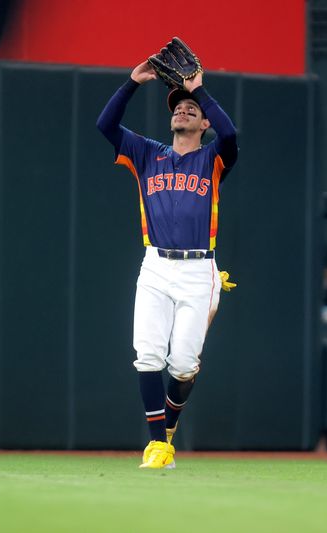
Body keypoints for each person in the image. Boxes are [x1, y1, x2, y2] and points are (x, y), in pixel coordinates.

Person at [96, 59, 238, 468]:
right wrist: (132, 82)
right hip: (156, 266)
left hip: (199, 270)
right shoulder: (146, 154)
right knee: (148, 354)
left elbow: (230, 133)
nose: (183, 109)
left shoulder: (212, 158)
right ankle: (158, 444)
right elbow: (105, 126)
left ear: (204, 122)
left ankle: (168, 430)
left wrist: (200, 91)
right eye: (177, 105)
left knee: (183, 364)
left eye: (192, 108)